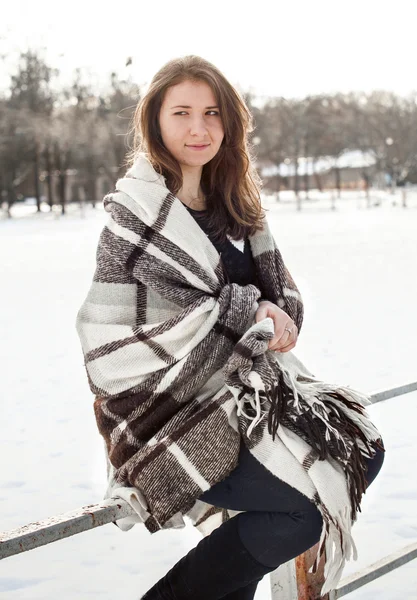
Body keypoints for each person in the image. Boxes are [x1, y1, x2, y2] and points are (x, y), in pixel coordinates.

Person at [75, 55, 385, 600]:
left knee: (362, 446)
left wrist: (268, 311)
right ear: (155, 122)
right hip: (167, 413)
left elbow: (276, 293)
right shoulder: (135, 219)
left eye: (213, 113)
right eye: (182, 113)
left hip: (246, 396)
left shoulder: (236, 204)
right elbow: (110, 343)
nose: (199, 128)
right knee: (298, 511)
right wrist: (249, 314)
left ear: (230, 123)